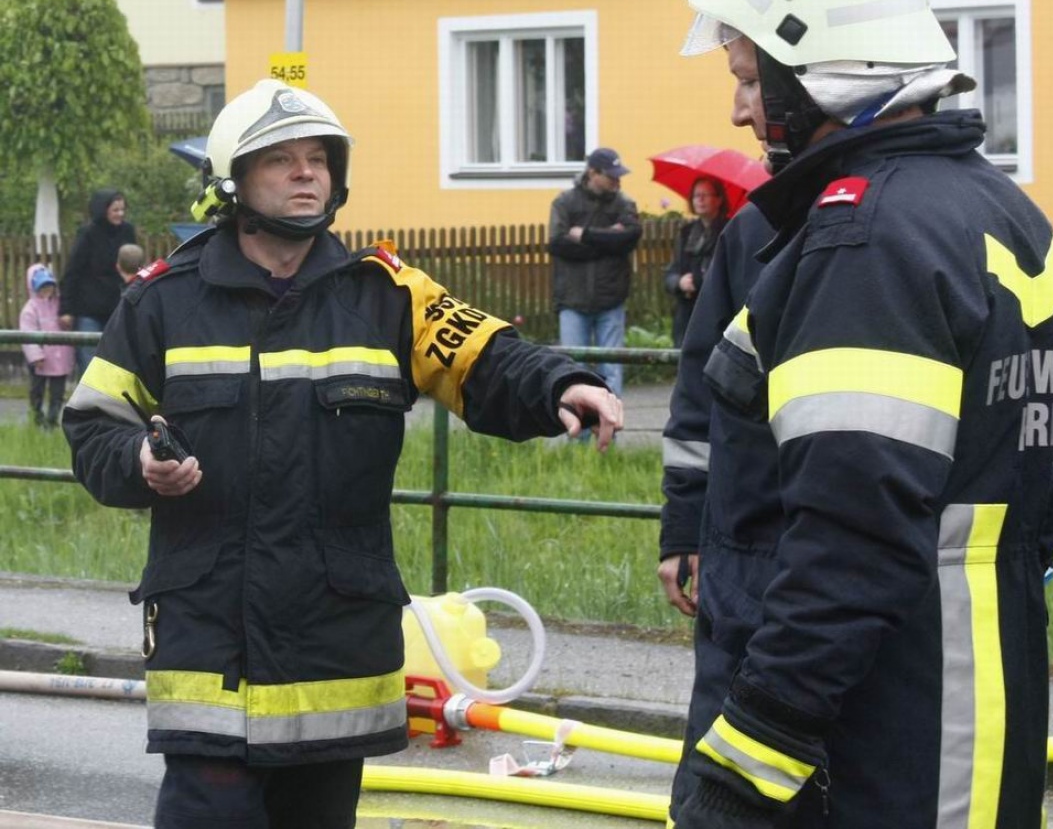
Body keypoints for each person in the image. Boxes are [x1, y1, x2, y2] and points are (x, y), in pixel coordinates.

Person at [62, 78, 622, 829]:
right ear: (232, 181)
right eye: (281, 159)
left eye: (319, 159)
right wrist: (139, 459)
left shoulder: (387, 295)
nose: (306, 173)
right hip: (210, 649)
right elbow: (92, 425)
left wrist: (563, 381)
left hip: (335, 652)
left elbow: (487, 356)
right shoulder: (162, 302)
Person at [669, 0, 1053, 828]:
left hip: (874, 735)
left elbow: (850, 540)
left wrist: (743, 770)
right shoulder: (995, 207)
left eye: (748, 78)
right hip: (969, 705)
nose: (739, 110)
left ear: (819, 68)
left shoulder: (865, 239)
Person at [549, 146, 642, 398]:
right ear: (592, 173)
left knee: (612, 368)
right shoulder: (564, 202)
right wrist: (609, 241)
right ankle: (577, 421)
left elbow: (631, 237)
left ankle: (610, 421)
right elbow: (557, 244)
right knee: (573, 369)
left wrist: (586, 235)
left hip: (611, 297)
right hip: (572, 298)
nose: (617, 180)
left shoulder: (624, 203)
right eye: (611, 175)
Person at [59, 188, 136, 377]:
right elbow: (73, 272)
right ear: (103, 210)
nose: (120, 214)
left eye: (122, 209)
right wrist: (66, 309)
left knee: (117, 361)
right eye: (115, 210)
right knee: (89, 363)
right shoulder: (88, 234)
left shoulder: (127, 231)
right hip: (88, 310)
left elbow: (132, 267)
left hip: (117, 308)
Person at [663, 177, 729, 347]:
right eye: (696, 195)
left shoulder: (729, 231)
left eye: (705, 195)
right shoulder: (686, 233)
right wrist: (679, 282)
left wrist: (700, 280)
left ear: (719, 200)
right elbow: (671, 271)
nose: (700, 199)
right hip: (687, 313)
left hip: (717, 313)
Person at [19, 264, 75, 428]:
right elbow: (28, 335)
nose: (46, 290)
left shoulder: (59, 304)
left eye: (49, 286)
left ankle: (52, 419)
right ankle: (36, 417)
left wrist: (68, 322)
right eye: (42, 287)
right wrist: (36, 356)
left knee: (57, 392)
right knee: (37, 390)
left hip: (60, 358)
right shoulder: (30, 310)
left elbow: (68, 326)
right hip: (41, 360)